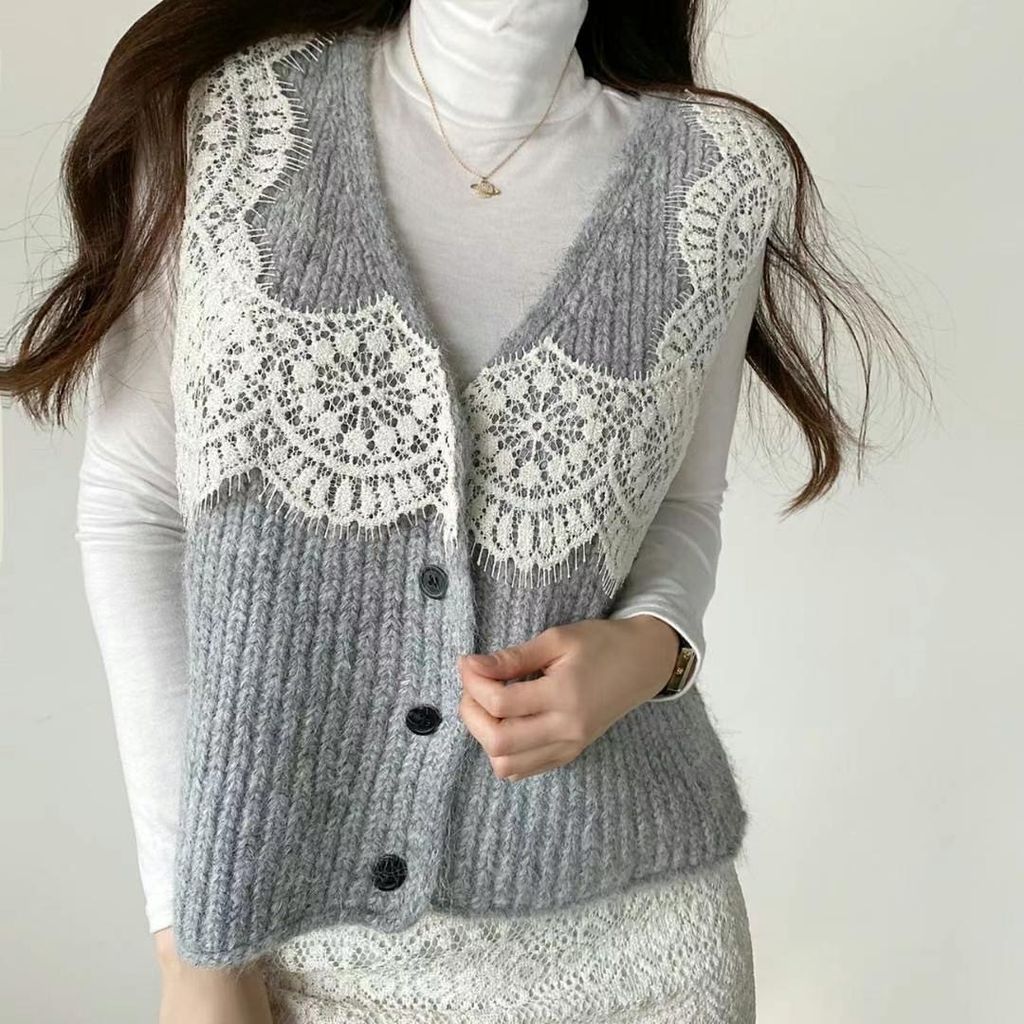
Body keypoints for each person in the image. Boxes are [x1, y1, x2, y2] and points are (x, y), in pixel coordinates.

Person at [1, 2, 925, 1021]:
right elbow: (136, 511)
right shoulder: (229, 118)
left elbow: (685, 503)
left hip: (639, 942)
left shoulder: (717, 171)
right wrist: (195, 953)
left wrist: (650, 650)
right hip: (292, 942)